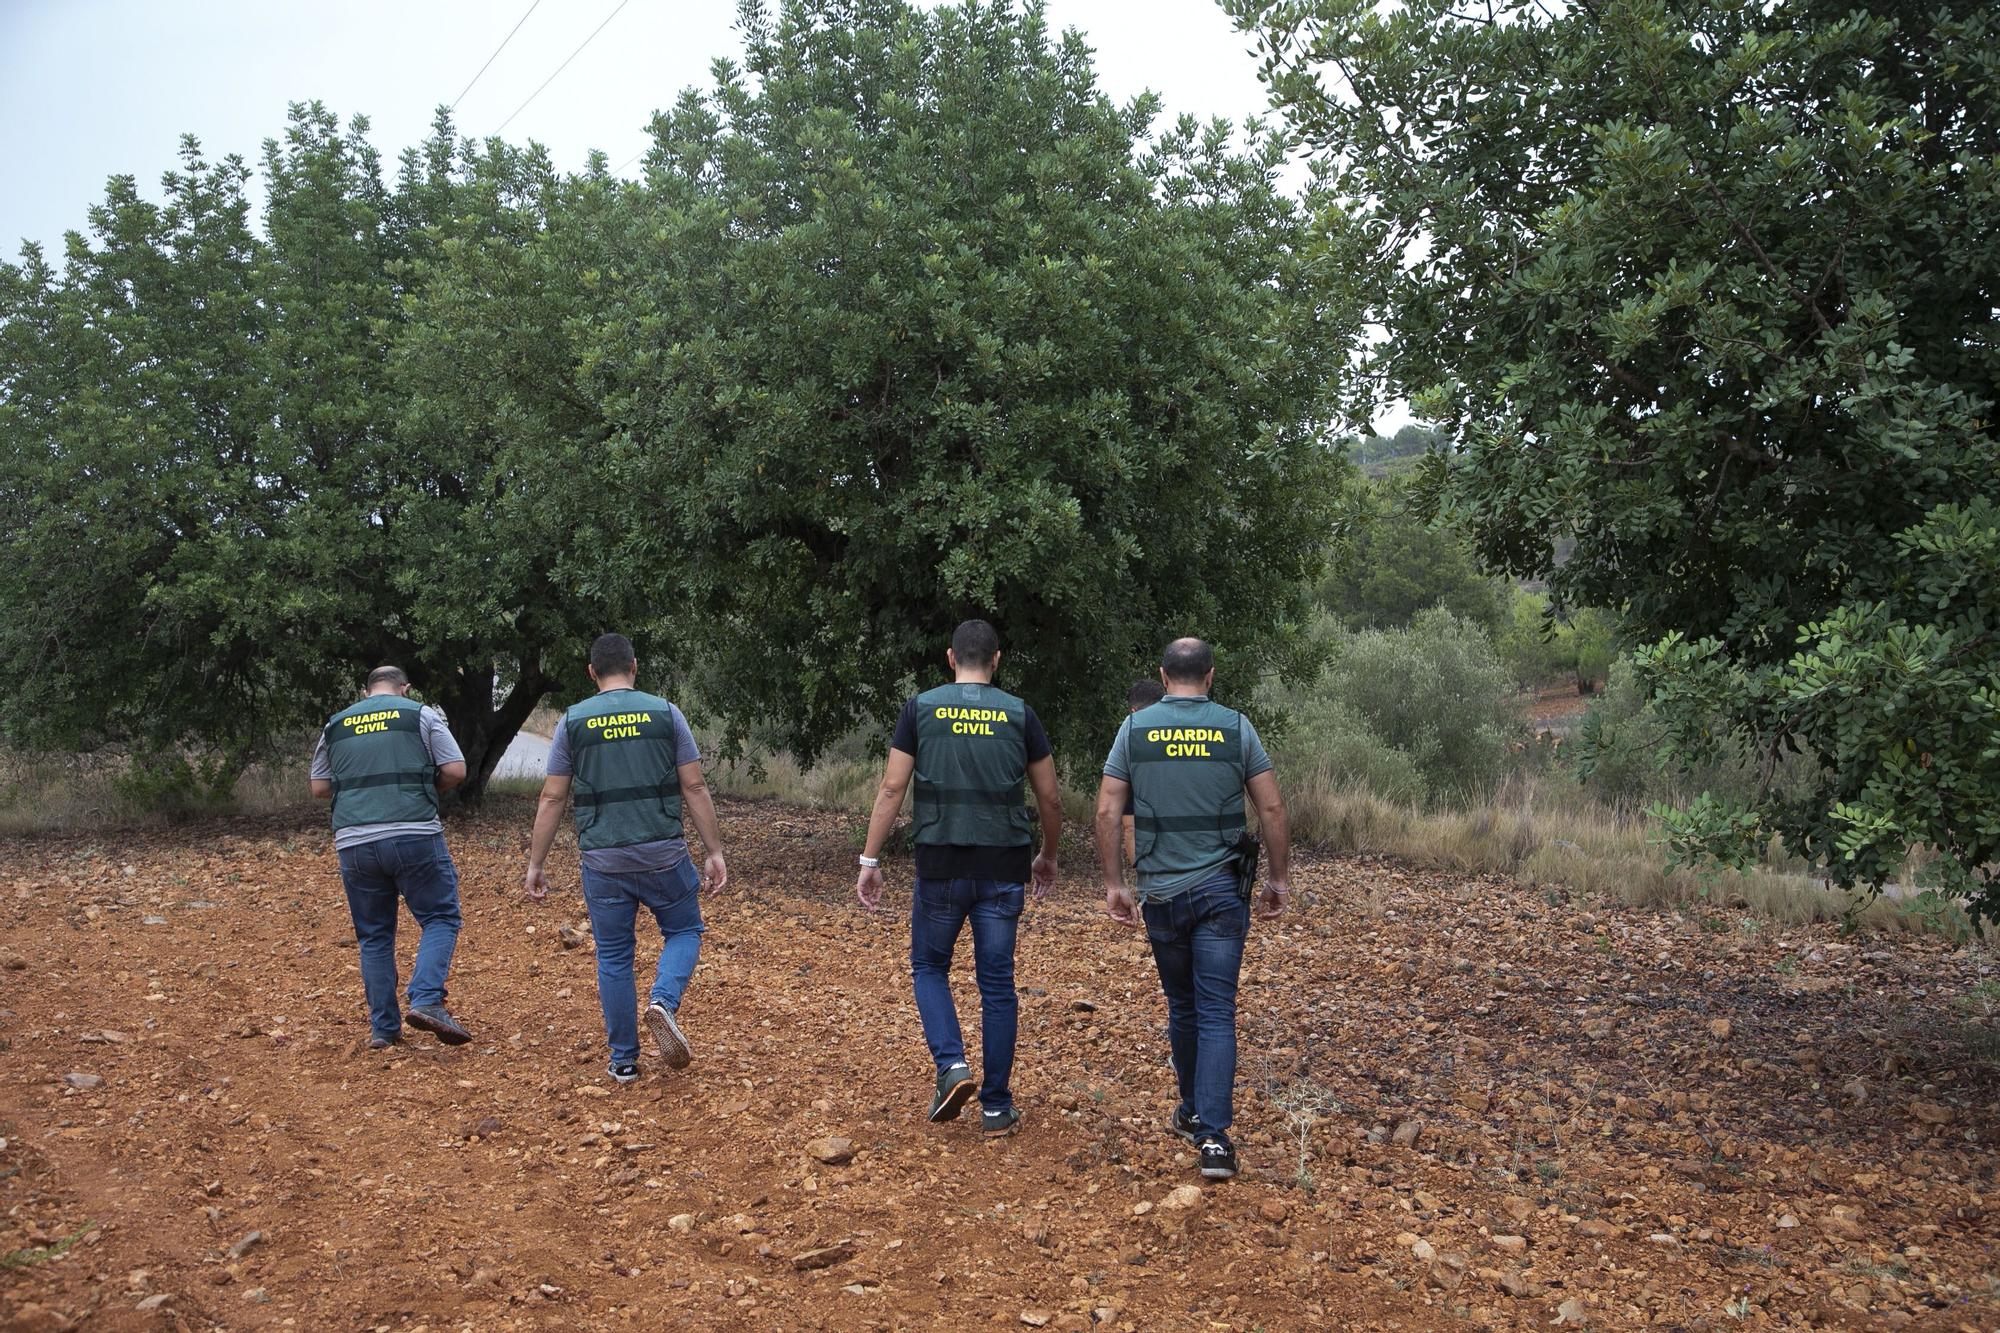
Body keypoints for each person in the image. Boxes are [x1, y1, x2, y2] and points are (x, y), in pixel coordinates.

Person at [1094, 638, 1290, 1180]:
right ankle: (1215, 1139)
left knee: (1183, 1006)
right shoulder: (1236, 727)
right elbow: (1270, 805)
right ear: (1209, 676)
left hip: (1161, 893)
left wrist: (1115, 883)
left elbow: (1109, 808)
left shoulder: (1135, 729)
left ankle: (1193, 1111)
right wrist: (1277, 878)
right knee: (1216, 1009)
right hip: (1224, 892)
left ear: (1163, 674)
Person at [855, 619, 1061, 1136]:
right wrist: (1049, 853)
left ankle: (951, 1066)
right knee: (997, 985)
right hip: (1002, 866)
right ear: (996, 660)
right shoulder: (1020, 713)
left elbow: (890, 789)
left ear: (950, 658)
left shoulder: (920, 708)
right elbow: (1050, 797)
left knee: (928, 965)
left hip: (941, 863)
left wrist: (870, 860)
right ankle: (996, 1105)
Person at [523, 634, 729, 1085]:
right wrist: (713, 851)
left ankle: (623, 1062)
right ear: (634, 667)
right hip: (664, 855)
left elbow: (553, 795)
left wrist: (536, 864)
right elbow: (694, 787)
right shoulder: (665, 713)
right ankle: (663, 1003)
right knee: (685, 930)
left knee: (614, 956)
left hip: (603, 861)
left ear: (591, 672)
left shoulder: (573, 721)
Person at [310, 665, 473, 1050]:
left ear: (366, 691)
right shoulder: (419, 714)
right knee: (440, 917)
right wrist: (425, 787)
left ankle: (383, 1030)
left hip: (354, 842)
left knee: (374, 935)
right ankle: (426, 998)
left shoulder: (336, 724)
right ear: (405, 688)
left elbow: (319, 786)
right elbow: (455, 769)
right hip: (413, 834)